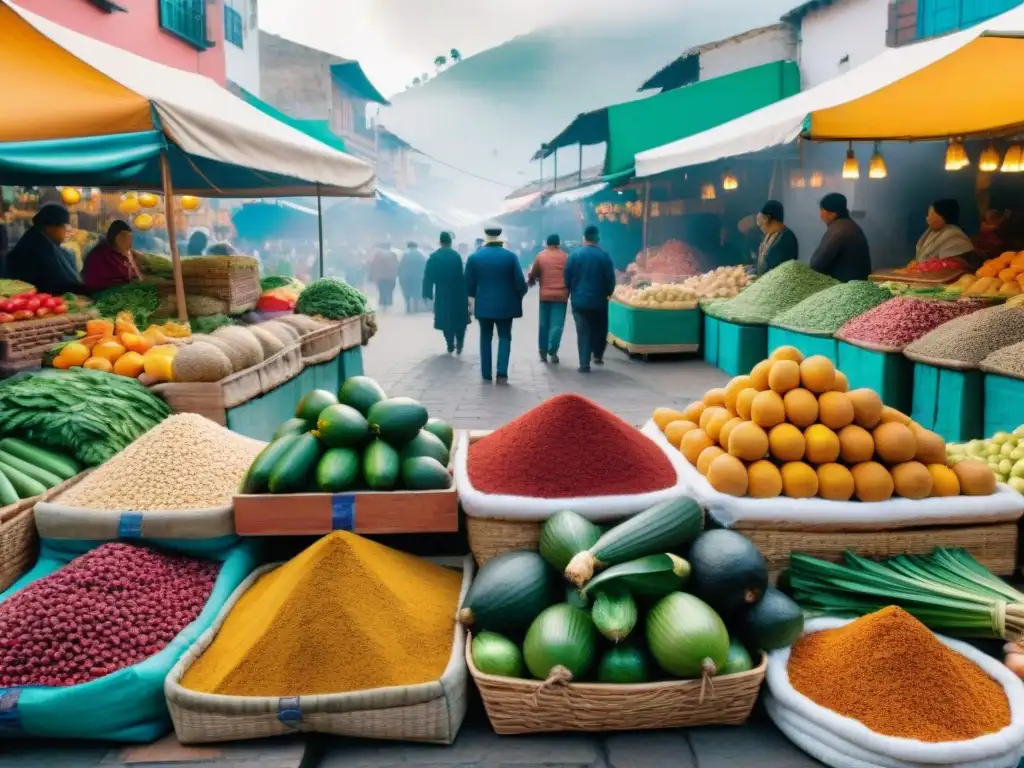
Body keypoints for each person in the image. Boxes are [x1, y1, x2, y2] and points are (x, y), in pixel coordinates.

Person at [465, 227, 527, 383]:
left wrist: (470, 302)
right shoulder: (511, 257)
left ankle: (486, 373)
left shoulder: (474, 258)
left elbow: (468, 284)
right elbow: (520, 282)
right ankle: (502, 372)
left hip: (483, 304)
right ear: (500, 238)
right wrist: (519, 295)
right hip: (506, 304)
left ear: (486, 237)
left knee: (485, 337)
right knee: (505, 336)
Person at [0, 203, 85, 295]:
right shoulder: (40, 246)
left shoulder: (35, 236)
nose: (65, 231)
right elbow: (62, 282)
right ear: (50, 227)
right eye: (63, 226)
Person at [565, 225, 615, 373]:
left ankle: (584, 364)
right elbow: (610, 278)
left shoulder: (574, 255)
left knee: (583, 331)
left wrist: (571, 290)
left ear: (584, 238)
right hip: (599, 300)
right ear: (597, 239)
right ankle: (598, 355)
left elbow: (567, 277)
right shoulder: (604, 256)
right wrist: (609, 292)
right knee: (600, 328)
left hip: (579, 301)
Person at [423, 232, 470, 354]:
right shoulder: (456, 256)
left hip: (442, 292)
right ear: (450, 242)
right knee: (459, 319)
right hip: (458, 292)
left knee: (444, 319)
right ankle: (460, 342)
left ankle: (450, 343)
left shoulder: (434, 257)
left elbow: (428, 277)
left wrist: (427, 293)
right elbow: (461, 275)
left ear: (440, 242)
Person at [809, 193, 871, 282]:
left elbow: (816, 264)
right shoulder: (848, 225)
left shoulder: (838, 230)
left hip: (845, 287)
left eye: (822, 210)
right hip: (856, 283)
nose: (821, 215)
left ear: (833, 214)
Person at [528, 233, 569, 363]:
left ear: (547, 243)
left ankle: (543, 351)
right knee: (557, 324)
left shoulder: (541, 256)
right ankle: (553, 349)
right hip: (561, 296)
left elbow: (534, 273)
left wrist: (531, 281)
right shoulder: (565, 257)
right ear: (559, 243)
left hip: (545, 295)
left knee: (544, 324)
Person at [82, 220, 142, 291]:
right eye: (127, 240)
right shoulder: (101, 255)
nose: (130, 245)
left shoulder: (119, 252)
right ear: (118, 239)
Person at [915, 199, 976, 268]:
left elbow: (951, 266)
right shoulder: (932, 233)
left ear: (943, 217)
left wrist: (922, 267)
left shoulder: (955, 238)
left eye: (931, 214)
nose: (927, 218)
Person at [755, 201, 799, 276]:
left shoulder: (787, 238)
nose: (761, 227)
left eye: (762, 224)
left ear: (768, 218)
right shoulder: (769, 234)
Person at [399, 241, 427, 313]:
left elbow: (401, 266)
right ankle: (416, 308)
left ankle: (408, 307)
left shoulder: (405, 255)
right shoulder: (420, 255)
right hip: (418, 276)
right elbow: (424, 266)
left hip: (406, 276)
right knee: (417, 291)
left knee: (407, 290)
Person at [370, 242, 399, 311]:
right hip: (390, 276)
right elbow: (396, 265)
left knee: (381, 290)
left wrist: (374, 276)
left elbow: (374, 266)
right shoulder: (393, 255)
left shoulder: (378, 255)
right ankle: (388, 304)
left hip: (381, 276)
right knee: (389, 291)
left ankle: (382, 304)